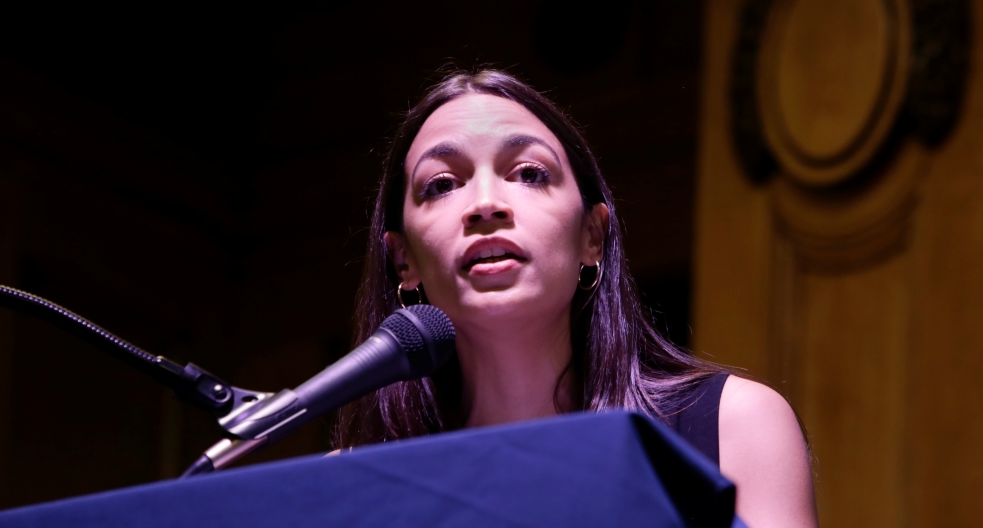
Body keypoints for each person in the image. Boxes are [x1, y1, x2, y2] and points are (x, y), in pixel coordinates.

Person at [336, 68, 818, 528]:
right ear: (403, 261)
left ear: (592, 236)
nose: (485, 204)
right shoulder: (348, 481)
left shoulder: (730, 427)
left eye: (528, 173)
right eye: (442, 185)